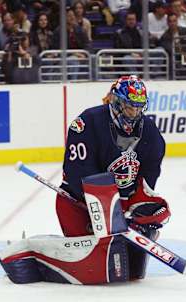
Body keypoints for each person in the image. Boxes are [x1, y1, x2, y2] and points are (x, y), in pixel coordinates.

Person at [56, 75, 170, 281]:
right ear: (116, 103)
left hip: (121, 204)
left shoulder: (150, 132)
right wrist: (108, 211)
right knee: (95, 266)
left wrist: (134, 211)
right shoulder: (87, 122)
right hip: (78, 202)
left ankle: (137, 236)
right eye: (129, 107)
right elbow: (77, 173)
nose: (135, 113)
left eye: (139, 107)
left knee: (157, 210)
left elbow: (147, 180)